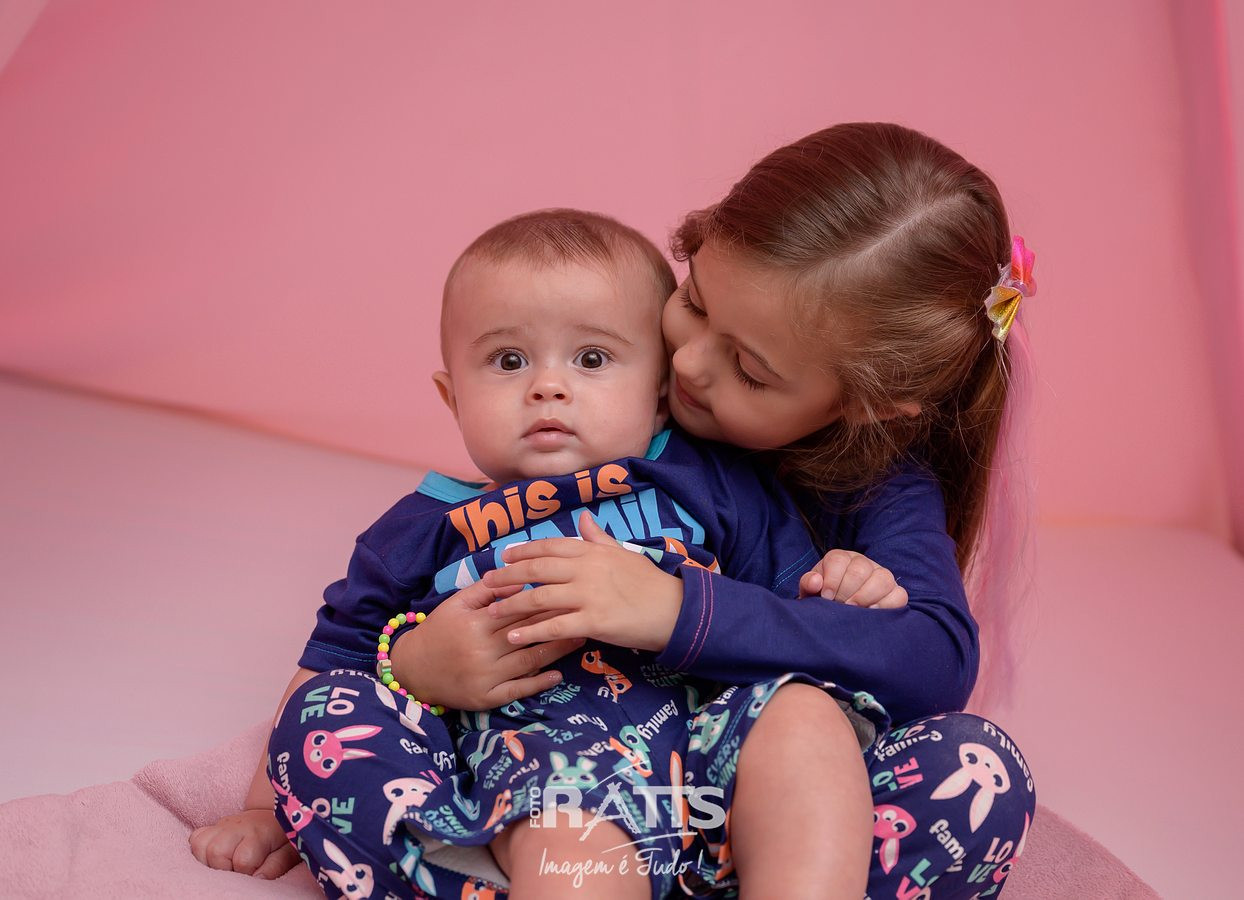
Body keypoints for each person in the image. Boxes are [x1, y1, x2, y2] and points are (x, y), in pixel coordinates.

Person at [400, 123, 1040, 897]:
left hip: (775, 809)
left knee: (977, 769)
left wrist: (677, 609)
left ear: (870, 405)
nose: (690, 363)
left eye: (750, 370)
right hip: (583, 784)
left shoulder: (882, 484)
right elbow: (427, 574)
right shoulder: (610, 406)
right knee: (335, 724)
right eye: (695, 302)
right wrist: (413, 663)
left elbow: (935, 659)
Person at [191, 209, 899, 899]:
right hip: (533, 777)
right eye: (508, 361)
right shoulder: (424, 528)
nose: (547, 386)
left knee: (806, 714)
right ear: (451, 396)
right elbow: (335, 659)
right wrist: (265, 809)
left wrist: (842, 580)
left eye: (592, 359)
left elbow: (789, 610)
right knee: (324, 709)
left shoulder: (707, 482)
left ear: (661, 391)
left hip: (717, 772)